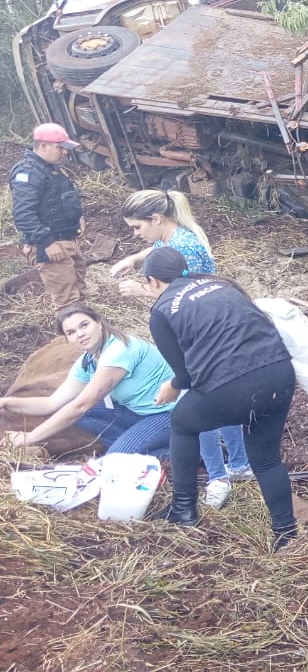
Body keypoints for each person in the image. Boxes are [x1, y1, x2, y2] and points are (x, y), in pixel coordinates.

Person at [142, 247, 297, 549]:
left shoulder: (162, 310)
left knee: (182, 422)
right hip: (279, 373)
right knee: (265, 459)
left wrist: (172, 386)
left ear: (152, 281)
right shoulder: (223, 284)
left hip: (232, 385)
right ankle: (286, 534)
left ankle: (183, 510)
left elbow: (185, 376)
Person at [110, 189, 252, 510]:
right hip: (212, 332)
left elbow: (183, 300)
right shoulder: (173, 238)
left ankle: (218, 477)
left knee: (193, 409)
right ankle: (240, 463)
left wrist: (140, 291)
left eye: (137, 227)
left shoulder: (185, 248)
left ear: (156, 218)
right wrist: (134, 258)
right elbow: (158, 252)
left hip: (202, 336)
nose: (136, 234)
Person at [0, 305, 175, 456]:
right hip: (140, 412)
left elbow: (81, 406)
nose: (80, 334)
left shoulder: (119, 350)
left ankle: (187, 449)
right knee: (68, 409)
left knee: (116, 458)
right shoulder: (87, 361)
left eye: (84, 325)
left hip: (170, 413)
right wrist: (6, 402)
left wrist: (30, 437)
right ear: (67, 339)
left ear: (98, 323)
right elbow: (51, 403)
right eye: (71, 332)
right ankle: (137, 439)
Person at [8, 122, 85, 309]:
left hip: (66, 240)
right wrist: (47, 242)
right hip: (51, 245)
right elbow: (23, 214)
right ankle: (72, 336)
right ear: (43, 146)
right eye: (61, 147)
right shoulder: (28, 172)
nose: (65, 152)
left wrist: (79, 217)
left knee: (79, 295)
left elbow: (60, 198)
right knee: (68, 303)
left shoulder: (49, 167)